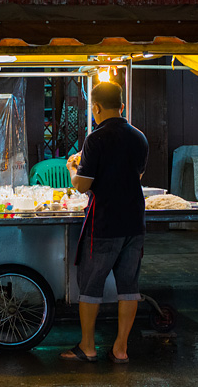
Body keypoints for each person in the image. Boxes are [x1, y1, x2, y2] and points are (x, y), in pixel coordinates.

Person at [60, 81, 148, 363]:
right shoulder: (139, 138)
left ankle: (88, 347)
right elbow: (136, 177)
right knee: (129, 287)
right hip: (135, 221)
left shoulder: (95, 139)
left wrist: (73, 168)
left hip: (105, 223)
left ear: (96, 107)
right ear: (121, 106)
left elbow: (83, 186)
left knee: (91, 286)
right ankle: (120, 349)